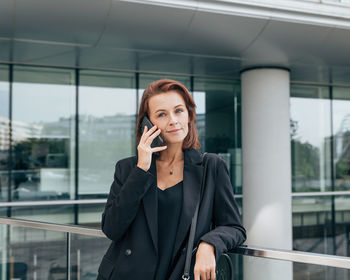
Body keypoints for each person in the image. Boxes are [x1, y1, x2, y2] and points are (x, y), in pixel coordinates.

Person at [97, 79, 246, 280]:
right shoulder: (128, 169)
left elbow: (234, 227)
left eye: (178, 111)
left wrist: (209, 244)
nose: (173, 120)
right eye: (161, 114)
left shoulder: (212, 167)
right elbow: (112, 229)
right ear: (147, 124)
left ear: (189, 116)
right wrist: (141, 169)